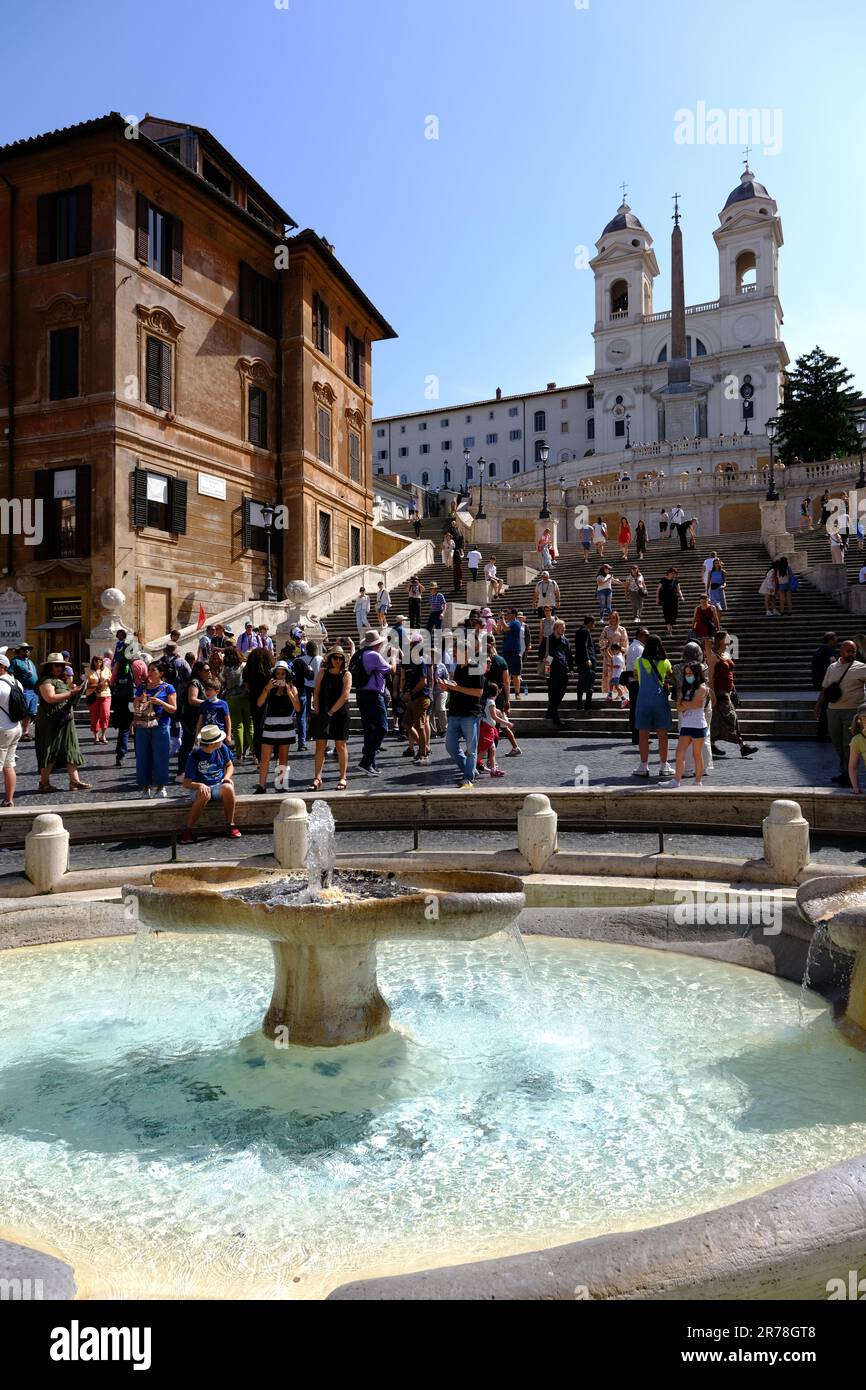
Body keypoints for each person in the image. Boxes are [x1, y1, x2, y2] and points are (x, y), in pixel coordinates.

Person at [35, 652, 91, 793]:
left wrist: (74, 691)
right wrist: (71, 693)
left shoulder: (60, 680)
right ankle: (44, 783)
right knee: (51, 749)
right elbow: (50, 698)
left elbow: (63, 696)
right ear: (50, 667)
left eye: (62, 665)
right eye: (57, 665)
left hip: (65, 718)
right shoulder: (45, 681)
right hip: (51, 720)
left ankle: (74, 782)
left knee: (70, 748)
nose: (60, 668)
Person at [815, 639, 866, 785]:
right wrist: (818, 706)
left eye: (854, 651)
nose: (852, 653)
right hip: (833, 711)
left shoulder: (861, 668)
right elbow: (825, 688)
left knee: (848, 744)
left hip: (852, 712)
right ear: (841, 652)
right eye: (849, 651)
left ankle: (850, 774)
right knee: (837, 743)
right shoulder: (832, 667)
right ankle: (845, 771)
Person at [181, 724, 240, 843]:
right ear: (212, 743)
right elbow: (186, 783)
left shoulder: (222, 748)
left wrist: (227, 777)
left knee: (228, 787)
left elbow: (229, 765)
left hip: (218, 785)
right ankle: (188, 830)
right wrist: (200, 785)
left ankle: (230, 824)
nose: (222, 740)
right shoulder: (194, 755)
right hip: (199, 789)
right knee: (205, 794)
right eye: (219, 739)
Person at [439, 637, 484, 789]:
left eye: (456, 652)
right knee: (450, 746)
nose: (454, 655)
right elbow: (458, 686)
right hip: (455, 712)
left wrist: (456, 688)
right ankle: (469, 769)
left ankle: (468, 778)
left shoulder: (475, 666)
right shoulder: (458, 667)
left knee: (471, 749)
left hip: (470, 714)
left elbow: (478, 692)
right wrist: (448, 687)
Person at [131, 660, 177, 798]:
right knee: (142, 757)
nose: (149, 673)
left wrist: (161, 703)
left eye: (153, 670)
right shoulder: (142, 687)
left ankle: (161, 786)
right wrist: (139, 699)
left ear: (161, 673)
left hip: (161, 726)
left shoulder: (168, 688)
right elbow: (135, 704)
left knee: (161, 757)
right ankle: (145, 787)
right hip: (142, 726)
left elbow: (173, 709)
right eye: (149, 670)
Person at [255, 659, 302, 793]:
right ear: (274, 675)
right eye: (278, 673)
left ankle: (280, 784)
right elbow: (259, 704)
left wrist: (289, 693)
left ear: (287, 674)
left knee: (283, 758)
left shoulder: (292, 688)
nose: (280, 676)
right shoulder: (269, 687)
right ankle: (262, 786)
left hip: (286, 725)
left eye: (283, 673)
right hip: (270, 725)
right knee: (265, 758)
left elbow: (298, 708)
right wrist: (266, 689)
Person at [351, 630, 394, 777]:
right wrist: (393, 657)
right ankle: (366, 762)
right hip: (373, 696)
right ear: (378, 643)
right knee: (382, 728)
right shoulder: (374, 655)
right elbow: (392, 670)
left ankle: (371, 764)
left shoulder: (360, 654)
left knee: (370, 730)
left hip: (361, 694)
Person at [710, 631, 758, 760]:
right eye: (727, 636)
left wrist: (734, 690)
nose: (730, 638)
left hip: (728, 691)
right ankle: (743, 745)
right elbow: (711, 676)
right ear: (720, 640)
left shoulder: (726, 653)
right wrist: (712, 694)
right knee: (730, 719)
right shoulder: (713, 655)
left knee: (717, 720)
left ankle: (711, 744)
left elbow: (730, 674)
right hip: (719, 692)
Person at [309, 647, 352, 790]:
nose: (338, 661)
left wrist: (331, 712)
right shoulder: (322, 672)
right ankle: (317, 777)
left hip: (340, 713)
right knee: (320, 745)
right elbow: (316, 692)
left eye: (340, 658)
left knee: (340, 745)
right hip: (323, 711)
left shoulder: (347, 674)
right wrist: (317, 709)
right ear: (330, 659)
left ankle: (343, 777)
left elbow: (345, 695)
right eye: (335, 658)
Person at [632, 635, 675, 779]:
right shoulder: (666, 662)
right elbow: (670, 676)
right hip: (660, 700)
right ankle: (664, 765)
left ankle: (644, 766)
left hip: (643, 699)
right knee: (662, 735)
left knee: (643, 735)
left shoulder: (638, 661)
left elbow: (636, 676)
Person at [670, 661, 711, 788]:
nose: (688, 676)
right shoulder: (685, 688)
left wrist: (684, 704)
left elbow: (696, 705)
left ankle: (698, 781)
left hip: (698, 725)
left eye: (690, 673)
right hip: (686, 724)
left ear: (697, 674)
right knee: (679, 752)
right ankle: (676, 780)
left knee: (696, 754)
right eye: (686, 674)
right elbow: (678, 707)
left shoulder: (702, 688)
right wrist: (685, 704)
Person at [0, 652, 28, 806]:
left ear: (2, 667)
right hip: (15, 727)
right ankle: (8, 800)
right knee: (9, 765)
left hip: (2, 729)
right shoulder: (16, 682)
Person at [402, 635, 432, 765]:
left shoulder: (422, 661)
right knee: (406, 724)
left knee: (419, 725)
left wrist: (411, 692)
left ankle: (424, 753)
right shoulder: (413, 661)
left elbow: (423, 681)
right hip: (414, 697)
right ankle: (423, 746)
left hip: (421, 697)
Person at [221, 645, 253, 761]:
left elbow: (222, 681)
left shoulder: (225, 669)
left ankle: (239, 754)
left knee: (237, 727)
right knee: (249, 726)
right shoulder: (244, 666)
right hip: (245, 697)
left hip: (231, 698)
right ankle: (254, 753)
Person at [476, 680, 510, 777]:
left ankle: (493, 769)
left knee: (492, 748)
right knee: (484, 750)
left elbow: (492, 712)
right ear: (496, 692)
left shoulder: (485, 700)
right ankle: (470, 765)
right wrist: (507, 723)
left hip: (485, 727)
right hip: (487, 728)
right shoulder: (491, 702)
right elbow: (494, 716)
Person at [544, 619, 573, 725]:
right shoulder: (548, 639)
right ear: (556, 628)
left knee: (562, 691)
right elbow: (542, 655)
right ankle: (555, 718)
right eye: (562, 627)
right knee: (552, 693)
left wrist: (571, 668)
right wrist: (547, 672)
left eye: (564, 627)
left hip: (563, 670)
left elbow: (569, 655)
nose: (564, 629)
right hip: (552, 670)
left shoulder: (565, 641)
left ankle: (550, 711)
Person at [811, 631, 838, 743]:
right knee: (827, 709)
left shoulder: (817, 651)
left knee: (824, 708)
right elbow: (833, 665)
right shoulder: (830, 652)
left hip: (820, 682)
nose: (837, 642)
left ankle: (822, 733)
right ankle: (823, 733)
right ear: (830, 640)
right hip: (829, 683)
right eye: (835, 640)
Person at [624, 625, 647, 743]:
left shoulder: (632, 646)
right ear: (640, 635)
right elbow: (639, 667)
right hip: (637, 682)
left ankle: (635, 735)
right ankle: (638, 735)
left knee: (634, 709)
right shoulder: (639, 649)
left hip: (631, 681)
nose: (647, 638)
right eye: (646, 635)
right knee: (638, 709)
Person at [8, 642, 38, 734]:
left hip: (34, 691)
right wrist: (14, 688)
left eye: (28, 649)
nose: (27, 651)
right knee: (22, 712)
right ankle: (18, 733)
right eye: (25, 649)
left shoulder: (30, 661)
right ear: (19, 651)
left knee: (30, 712)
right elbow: (10, 674)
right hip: (23, 690)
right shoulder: (15, 661)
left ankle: (25, 732)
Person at [599, 610, 628, 700]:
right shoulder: (606, 629)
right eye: (610, 618)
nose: (612, 620)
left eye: (614, 618)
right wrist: (604, 643)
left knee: (618, 674)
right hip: (608, 654)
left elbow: (625, 642)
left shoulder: (621, 629)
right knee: (610, 674)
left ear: (617, 618)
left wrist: (622, 651)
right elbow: (600, 640)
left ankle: (620, 693)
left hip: (618, 655)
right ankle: (610, 692)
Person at [497, 607, 524, 699]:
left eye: (508, 613)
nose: (506, 615)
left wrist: (501, 618)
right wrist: (500, 621)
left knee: (516, 674)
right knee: (506, 674)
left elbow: (506, 628)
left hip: (515, 652)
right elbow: (499, 631)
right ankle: (506, 694)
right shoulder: (507, 622)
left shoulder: (516, 623)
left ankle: (517, 693)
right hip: (506, 651)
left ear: (513, 614)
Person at [85, 654, 112, 743]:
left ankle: (103, 735)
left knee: (105, 715)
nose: (98, 663)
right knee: (94, 716)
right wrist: (96, 685)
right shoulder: (89, 671)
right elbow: (86, 685)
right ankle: (96, 736)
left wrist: (107, 682)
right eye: (96, 661)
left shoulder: (107, 670)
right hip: (93, 696)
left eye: (100, 661)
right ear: (93, 661)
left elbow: (111, 681)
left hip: (105, 695)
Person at [574, 615, 596, 711]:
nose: (593, 626)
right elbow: (584, 646)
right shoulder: (586, 631)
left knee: (581, 682)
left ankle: (580, 704)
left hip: (580, 660)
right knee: (589, 682)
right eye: (593, 624)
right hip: (587, 661)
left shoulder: (579, 631)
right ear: (590, 623)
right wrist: (587, 658)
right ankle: (587, 704)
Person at [690, 594, 721, 661]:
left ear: (707, 600)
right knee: (700, 646)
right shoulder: (697, 608)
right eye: (701, 602)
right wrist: (692, 628)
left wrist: (717, 627)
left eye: (704, 602)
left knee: (708, 647)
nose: (703, 603)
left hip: (708, 630)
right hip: (699, 630)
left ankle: (708, 660)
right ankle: (703, 659)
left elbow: (715, 618)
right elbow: (694, 619)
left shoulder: (712, 608)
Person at [657, 567, 683, 636]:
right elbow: (658, 589)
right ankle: (669, 629)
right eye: (672, 573)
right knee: (667, 614)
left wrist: (681, 596)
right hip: (665, 600)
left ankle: (670, 626)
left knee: (675, 614)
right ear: (668, 573)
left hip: (674, 600)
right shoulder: (663, 580)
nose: (673, 575)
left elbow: (679, 590)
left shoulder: (676, 581)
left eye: (674, 574)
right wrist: (657, 598)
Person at [847, 710, 866, 792]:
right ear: (860, 721)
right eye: (865, 718)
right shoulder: (857, 740)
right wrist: (855, 787)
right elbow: (852, 766)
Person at [607, 643, 628, 707]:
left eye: (614, 650)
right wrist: (606, 651)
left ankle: (623, 698)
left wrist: (610, 666)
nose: (613, 651)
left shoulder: (619, 657)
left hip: (618, 674)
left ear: (618, 650)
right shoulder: (616, 655)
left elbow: (618, 666)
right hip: (615, 674)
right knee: (611, 683)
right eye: (612, 650)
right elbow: (611, 657)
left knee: (616, 686)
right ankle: (610, 695)